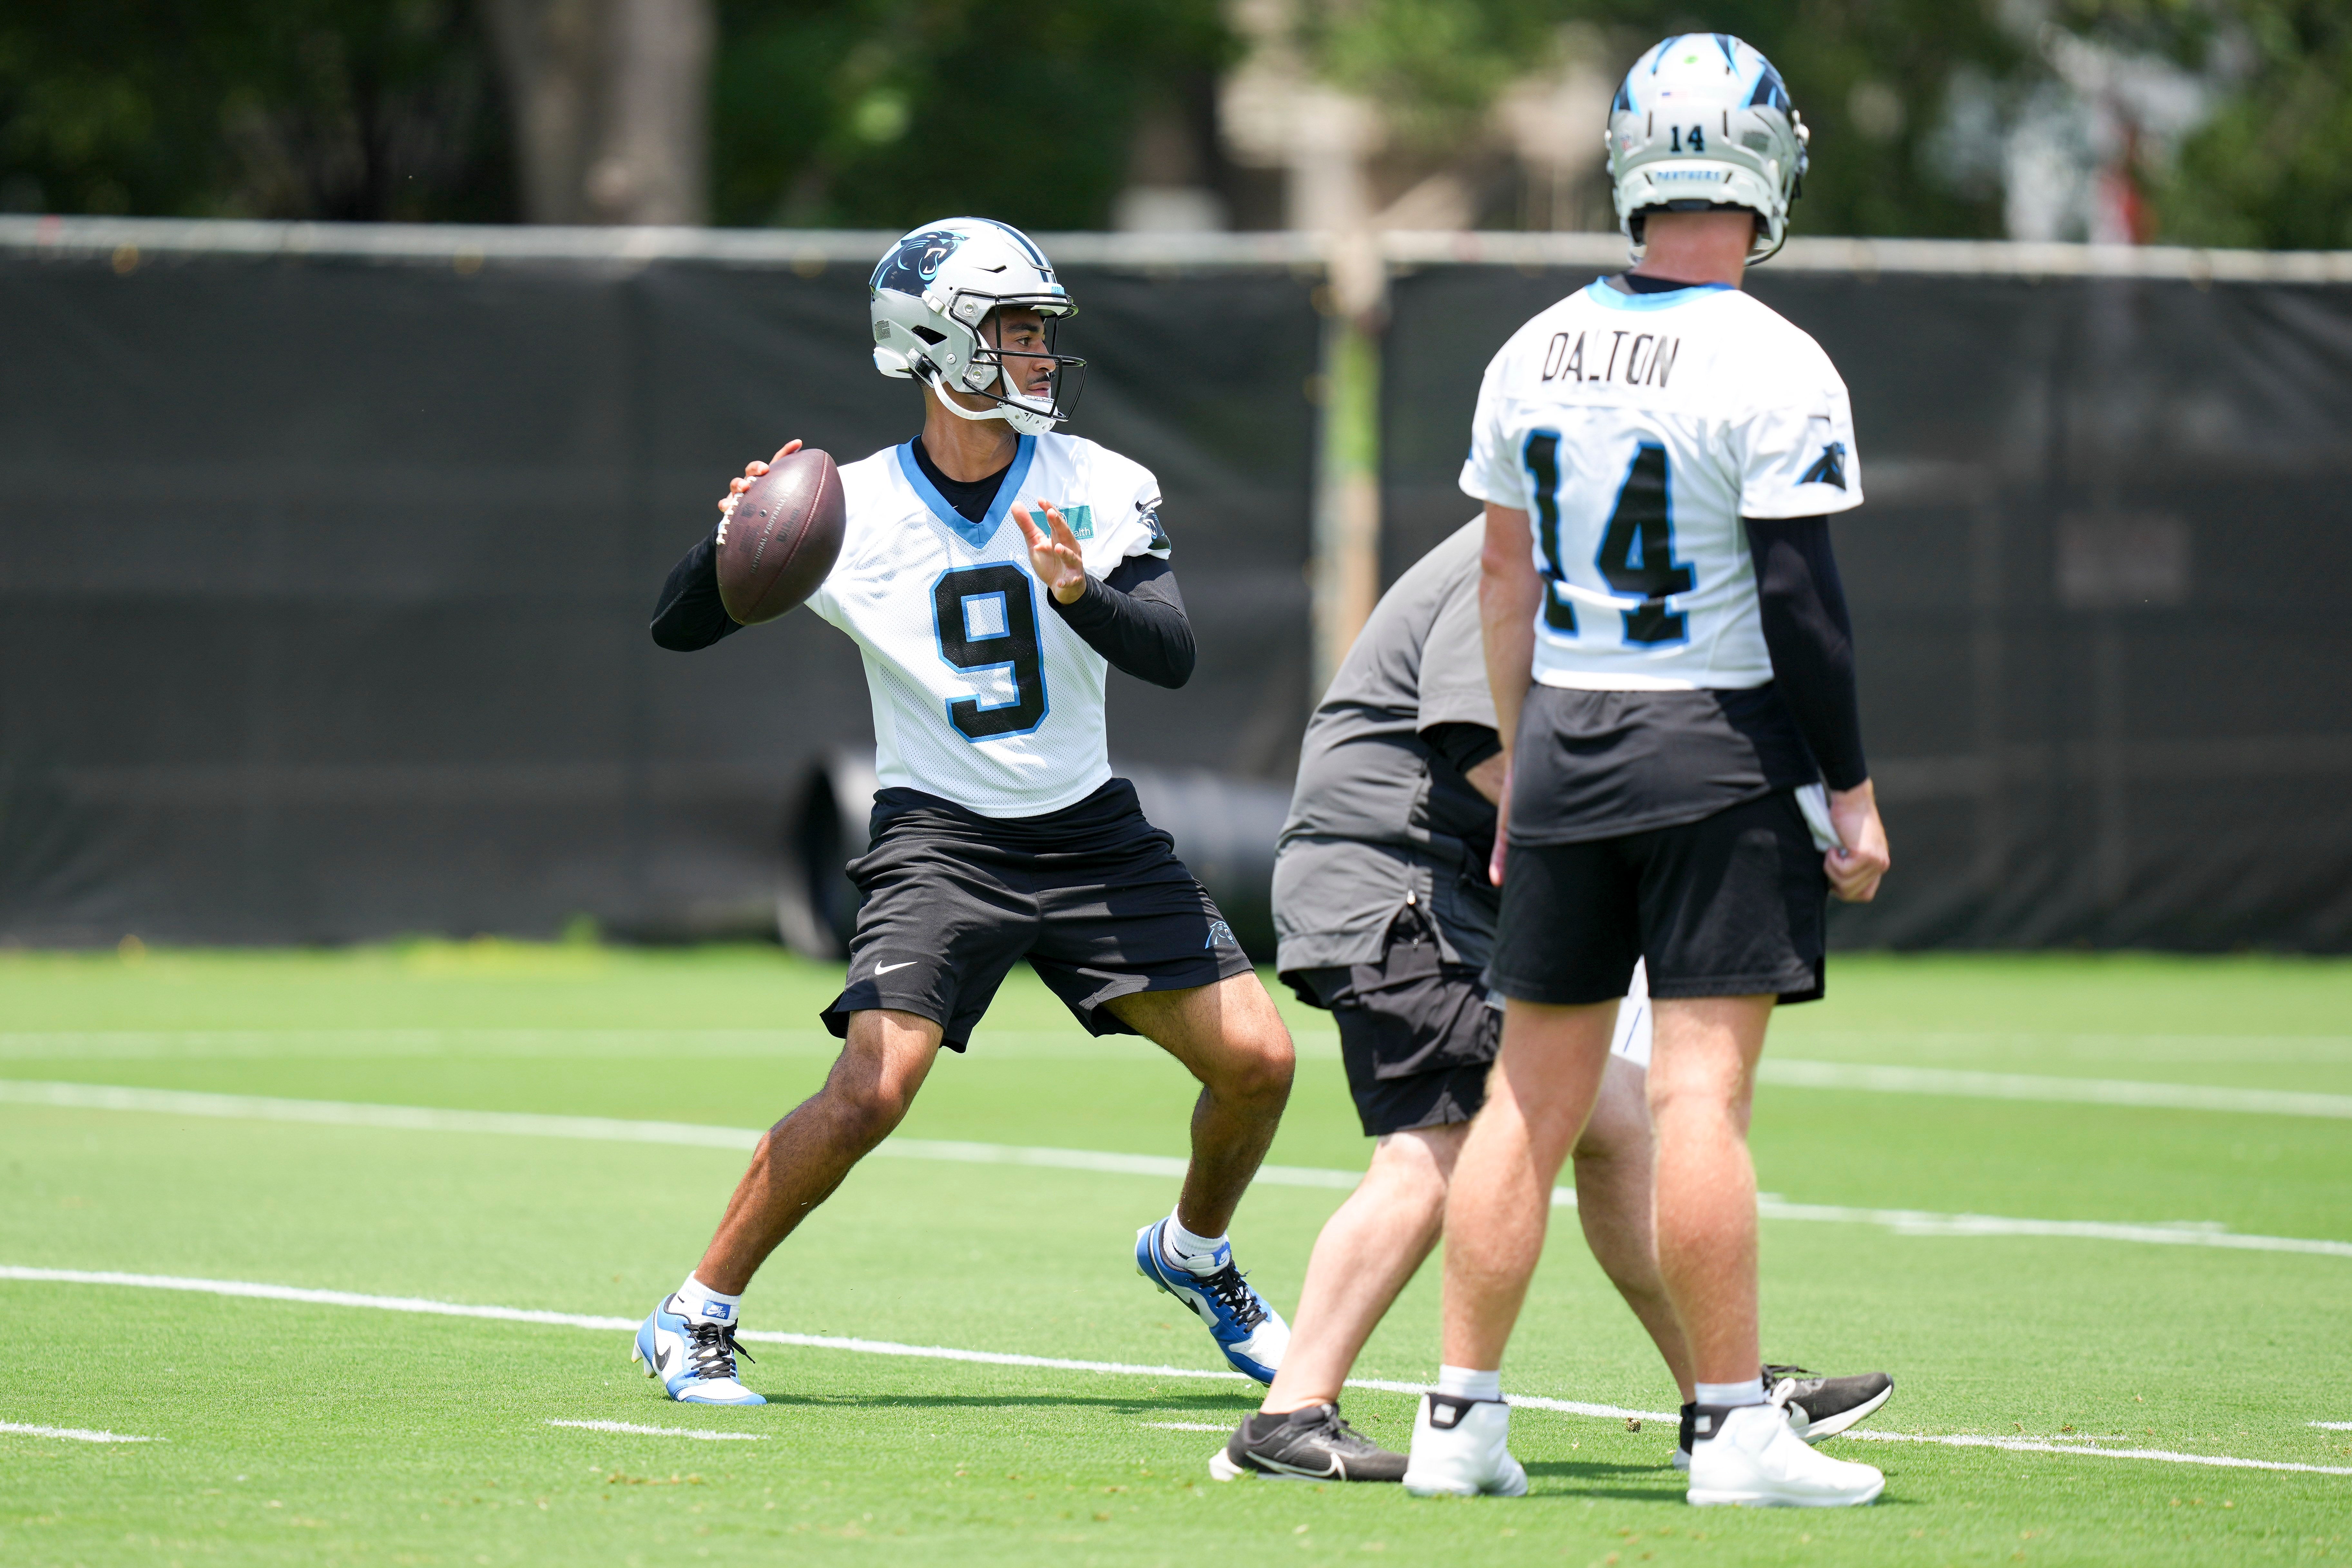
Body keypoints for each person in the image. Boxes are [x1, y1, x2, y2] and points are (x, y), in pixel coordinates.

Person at [631, 218, 1295, 1404]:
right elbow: (677, 627)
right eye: (1016, 331)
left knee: (1259, 1060)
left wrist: (1080, 590)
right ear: (937, 342)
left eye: (1042, 331)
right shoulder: (849, 507)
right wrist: (730, 538)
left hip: (1090, 827)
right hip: (943, 838)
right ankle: (695, 1313)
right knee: (874, 1086)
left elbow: (1174, 653)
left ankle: (1195, 1253)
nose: (1040, 354)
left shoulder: (1100, 482)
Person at [1400, 36, 1895, 1508]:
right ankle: (1734, 1427)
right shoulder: (1772, 355)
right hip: (1710, 745)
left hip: (1566, 738)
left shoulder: (1529, 346)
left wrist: (1514, 758)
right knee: (1696, 1101)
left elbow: (1503, 580)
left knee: (1525, 1102)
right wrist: (1853, 791)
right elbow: (1801, 607)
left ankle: (1456, 1417)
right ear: (1764, 166)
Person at [1212, 521, 1891, 1484]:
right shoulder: (1532, 534)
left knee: (1609, 1119)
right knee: (1439, 1145)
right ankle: (1287, 1414)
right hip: (1400, 877)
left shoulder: (1583, 537)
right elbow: (1477, 736)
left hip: (1430, 881)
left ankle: (1725, 1400)